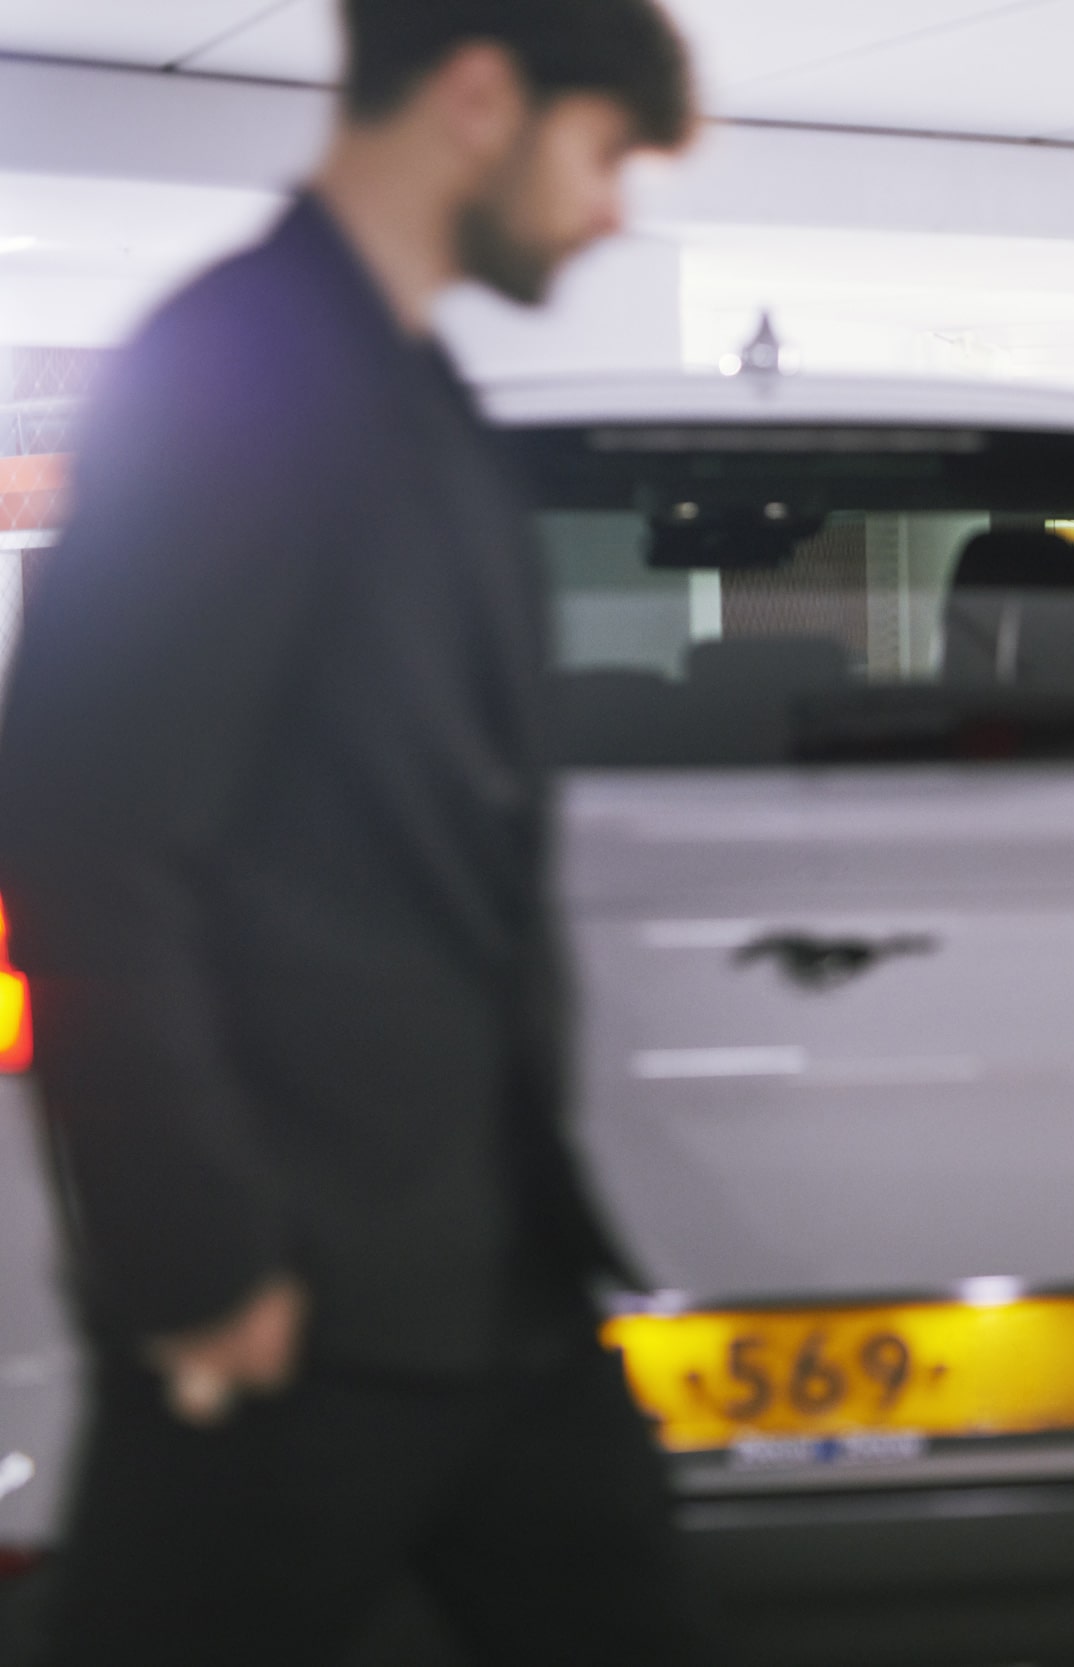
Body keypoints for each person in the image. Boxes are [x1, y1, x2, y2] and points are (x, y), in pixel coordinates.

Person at [0, 2, 702, 1661]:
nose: (614, 211)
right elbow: (95, 830)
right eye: (605, 152)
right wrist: (194, 1258)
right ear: (479, 98)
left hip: (487, 1266)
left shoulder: (415, 385)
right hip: (296, 1293)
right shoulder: (241, 364)